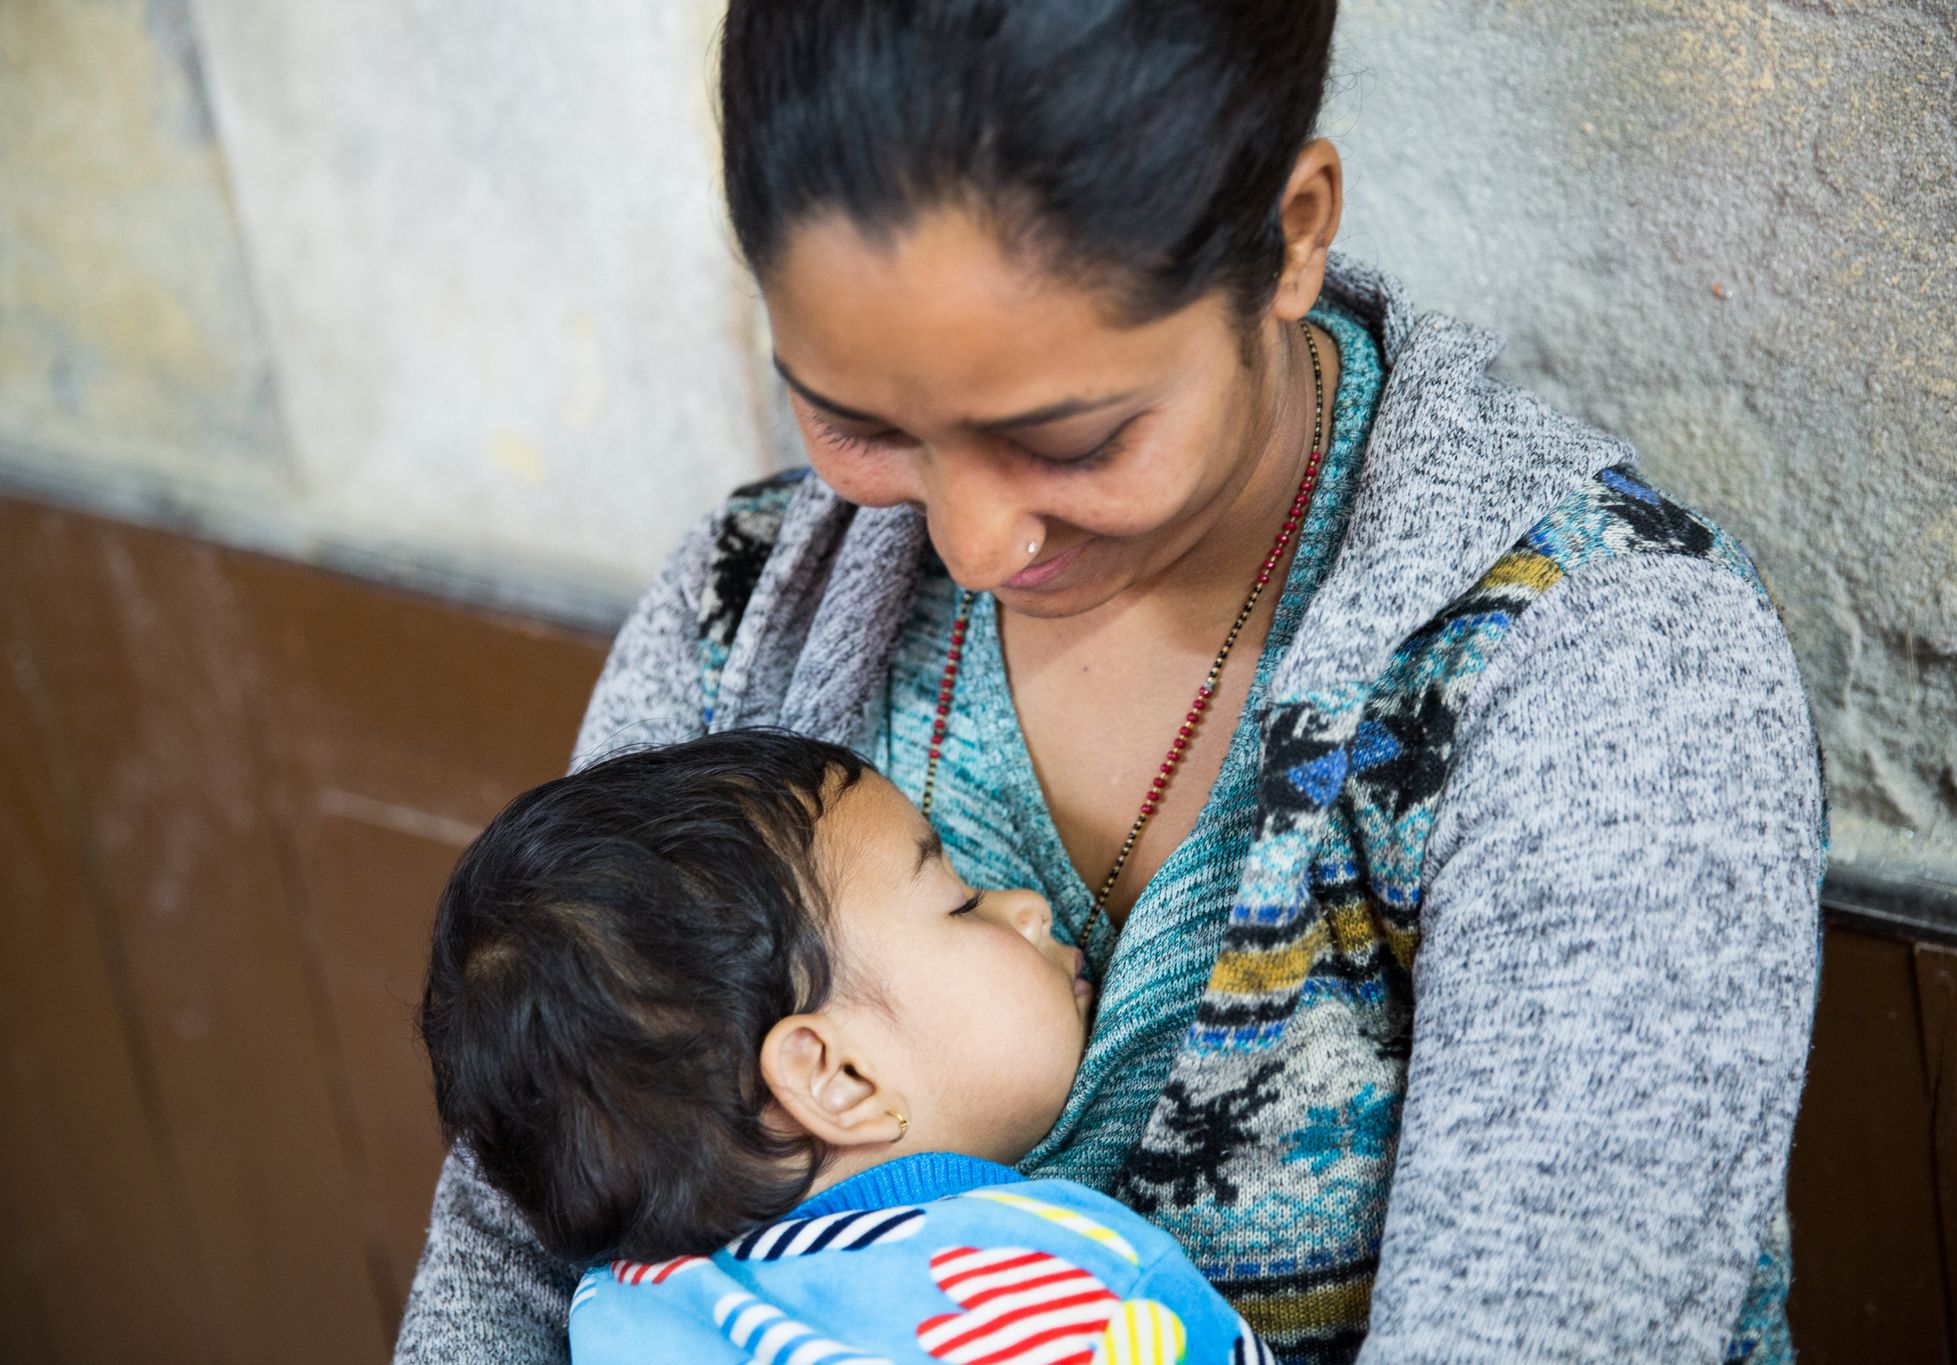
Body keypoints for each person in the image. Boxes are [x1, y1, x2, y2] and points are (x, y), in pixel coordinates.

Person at [396, 1, 1825, 1361]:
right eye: (853, 417)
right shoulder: (750, 602)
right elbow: (513, 1264)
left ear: (1289, 236)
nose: (970, 541)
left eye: (1070, 441)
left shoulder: (1595, 670)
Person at [419, 729, 1274, 1364]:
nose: (1027, 904)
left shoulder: (617, 1321)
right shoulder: (1087, 1291)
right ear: (839, 1077)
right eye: (961, 902)